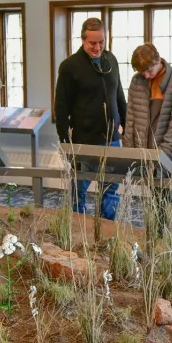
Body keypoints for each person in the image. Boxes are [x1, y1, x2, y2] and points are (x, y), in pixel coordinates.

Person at [54, 17, 126, 220]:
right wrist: (65, 142)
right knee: (79, 192)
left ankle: (107, 229)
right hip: (83, 141)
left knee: (110, 190)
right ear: (83, 40)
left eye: (101, 42)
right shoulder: (69, 66)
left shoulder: (110, 60)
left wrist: (126, 126)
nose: (97, 47)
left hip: (112, 139)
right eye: (92, 43)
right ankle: (79, 233)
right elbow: (61, 107)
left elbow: (119, 96)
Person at [122, 43, 172, 165]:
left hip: (170, 155)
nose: (146, 76)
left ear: (158, 60)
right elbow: (130, 119)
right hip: (142, 155)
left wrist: (162, 156)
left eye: (149, 70)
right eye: (142, 72)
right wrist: (130, 153)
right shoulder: (136, 81)